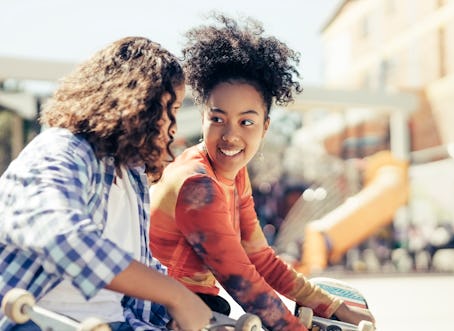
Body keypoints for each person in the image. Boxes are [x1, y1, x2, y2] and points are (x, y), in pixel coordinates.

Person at [149, 14, 375, 331]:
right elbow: (242, 279)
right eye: (217, 119)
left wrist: (332, 305)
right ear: (202, 117)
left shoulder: (234, 175)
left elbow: (261, 258)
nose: (230, 135)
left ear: (265, 126)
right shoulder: (197, 183)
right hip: (162, 313)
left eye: (246, 122)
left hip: (199, 307)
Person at [0, 36, 211, 331]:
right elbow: (62, 237)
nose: (173, 127)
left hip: (114, 323)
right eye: (171, 108)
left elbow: (144, 278)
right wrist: (176, 296)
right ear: (141, 102)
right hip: (37, 319)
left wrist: (203, 319)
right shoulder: (60, 149)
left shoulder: (131, 175)